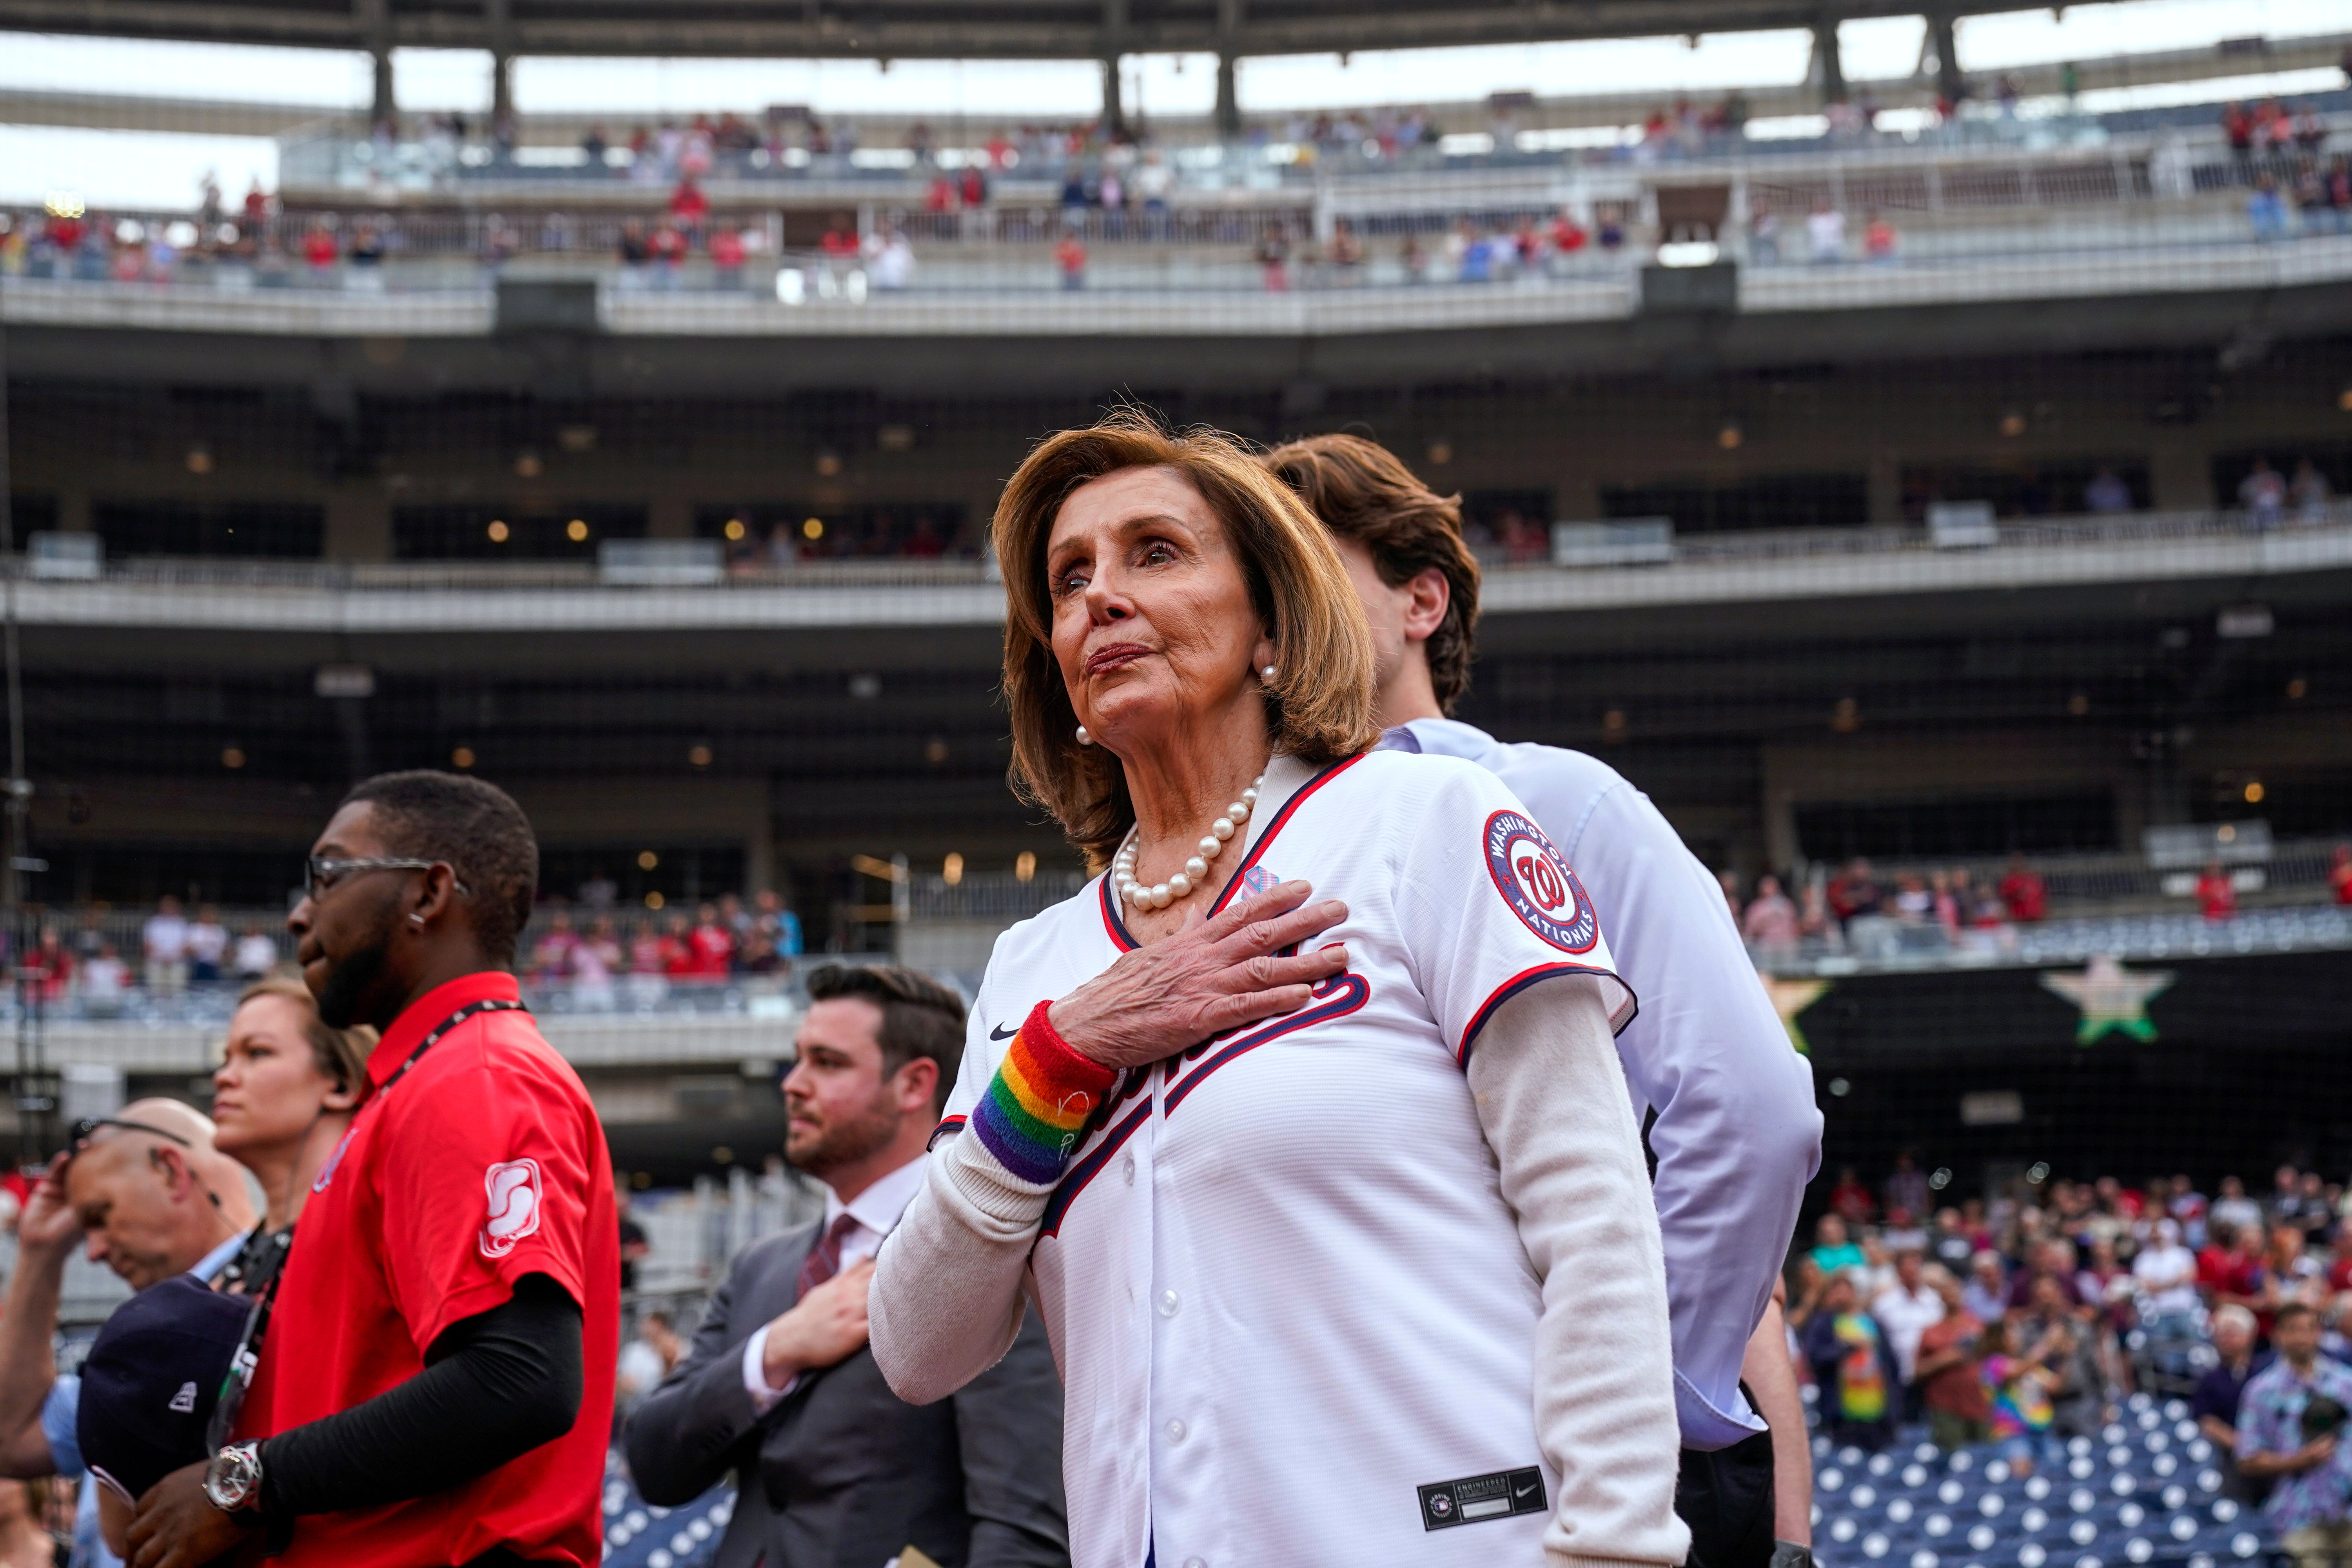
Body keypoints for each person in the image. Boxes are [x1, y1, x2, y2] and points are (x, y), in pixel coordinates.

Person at [871, 413, 1690, 1568]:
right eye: (1068, 578)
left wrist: (1614, 1547)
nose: (1099, 595)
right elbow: (916, 1346)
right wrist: (1063, 1058)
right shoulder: (1036, 972)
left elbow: (1595, 1217)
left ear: (1270, 619)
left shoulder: (1429, 824)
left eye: (1154, 551)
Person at [1260, 430, 1820, 1568]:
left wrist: (1628, 1382)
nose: (1278, 620)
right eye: (1260, 590)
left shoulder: (1551, 799)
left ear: (1423, 600)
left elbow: (1752, 1111)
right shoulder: (1226, 865)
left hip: (1573, 1464)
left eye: (1310, 574)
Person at [125, 770, 618, 1568]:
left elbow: (518, 1376)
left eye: (327, 875)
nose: (299, 912)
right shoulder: (422, 1084)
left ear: (428, 892)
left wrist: (241, 1480)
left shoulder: (477, 1075)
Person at [626, 964, 1067, 1567]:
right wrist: (774, 1351)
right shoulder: (760, 1267)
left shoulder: (986, 1252)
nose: (793, 1083)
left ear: (914, 1085)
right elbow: (654, 1463)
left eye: (827, 1063)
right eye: (798, 1058)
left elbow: (1022, 1529)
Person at [0, 1102, 260, 1568]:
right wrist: (41, 1252)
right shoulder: (145, 1348)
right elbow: (11, 1438)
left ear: (171, 1171)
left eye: (100, 1216)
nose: (94, 1250)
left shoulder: (275, 1302)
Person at [2238, 1302, 2352, 1568]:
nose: (2302, 1337)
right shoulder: (2261, 1391)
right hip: (2300, 1514)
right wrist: (2299, 1460)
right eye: (2293, 1330)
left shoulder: (2346, 1382)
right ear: (2278, 1335)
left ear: (2320, 1333)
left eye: (2309, 1329)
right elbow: (2247, 1459)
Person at [1800, 1275, 1899, 1450]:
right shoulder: (1823, 1324)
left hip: (1877, 1409)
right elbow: (1815, 1359)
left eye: (1846, 1290)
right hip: (1842, 1413)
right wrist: (1846, 1348)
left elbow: (1890, 1363)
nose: (1842, 1296)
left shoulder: (1873, 1322)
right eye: (1836, 1291)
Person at [2195, 1305, 2268, 1499]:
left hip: (2273, 1454)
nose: (2226, 1340)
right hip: (2233, 1459)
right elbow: (2206, 1420)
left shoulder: (2268, 1372)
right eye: (2222, 1334)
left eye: (2232, 1333)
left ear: (2250, 1335)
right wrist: (2243, 1443)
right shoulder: (2210, 1379)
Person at [1914, 1267, 1991, 1450]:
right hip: (1946, 1406)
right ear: (1941, 1297)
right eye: (1946, 1293)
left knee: (1984, 1455)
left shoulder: (1978, 1327)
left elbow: (1994, 1363)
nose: (1952, 1296)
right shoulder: (1931, 1331)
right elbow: (1918, 1370)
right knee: (1952, 1455)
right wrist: (1945, 1360)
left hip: (1979, 1403)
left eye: (1955, 1292)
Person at [1872, 1249, 1945, 1387]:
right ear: (1899, 1272)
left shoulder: (1935, 1301)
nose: (1913, 1271)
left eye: (1916, 1266)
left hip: (1929, 1375)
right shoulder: (1884, 1304)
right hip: (1895, 1375)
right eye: (1908, 1267)